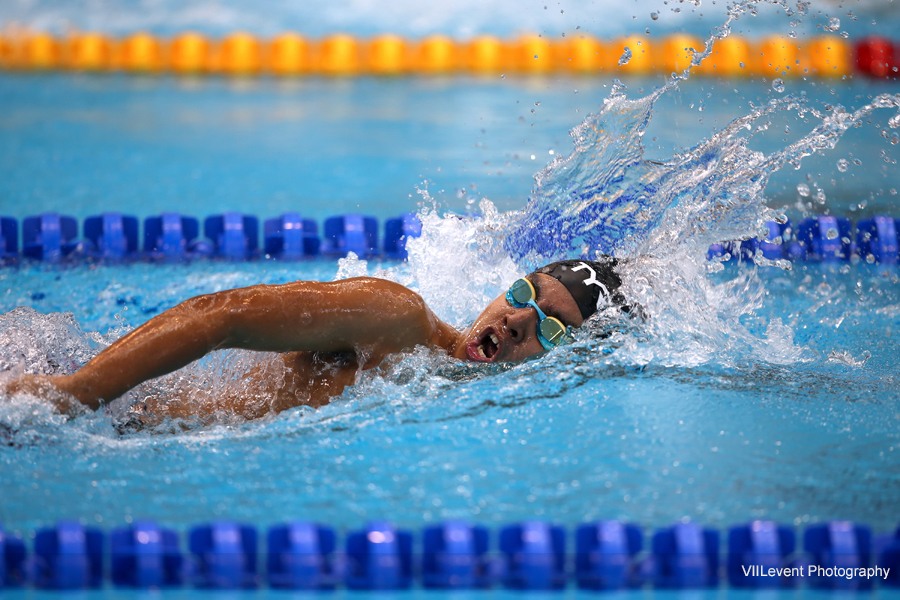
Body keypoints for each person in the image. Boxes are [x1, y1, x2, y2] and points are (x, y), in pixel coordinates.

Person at [4, 258, 627, 420]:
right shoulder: (396, 319)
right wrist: (78, 390)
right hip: (99, 408)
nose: (518, 320)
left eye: (549, 327)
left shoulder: (461, 397)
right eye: (524, 296)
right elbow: (222, 313)